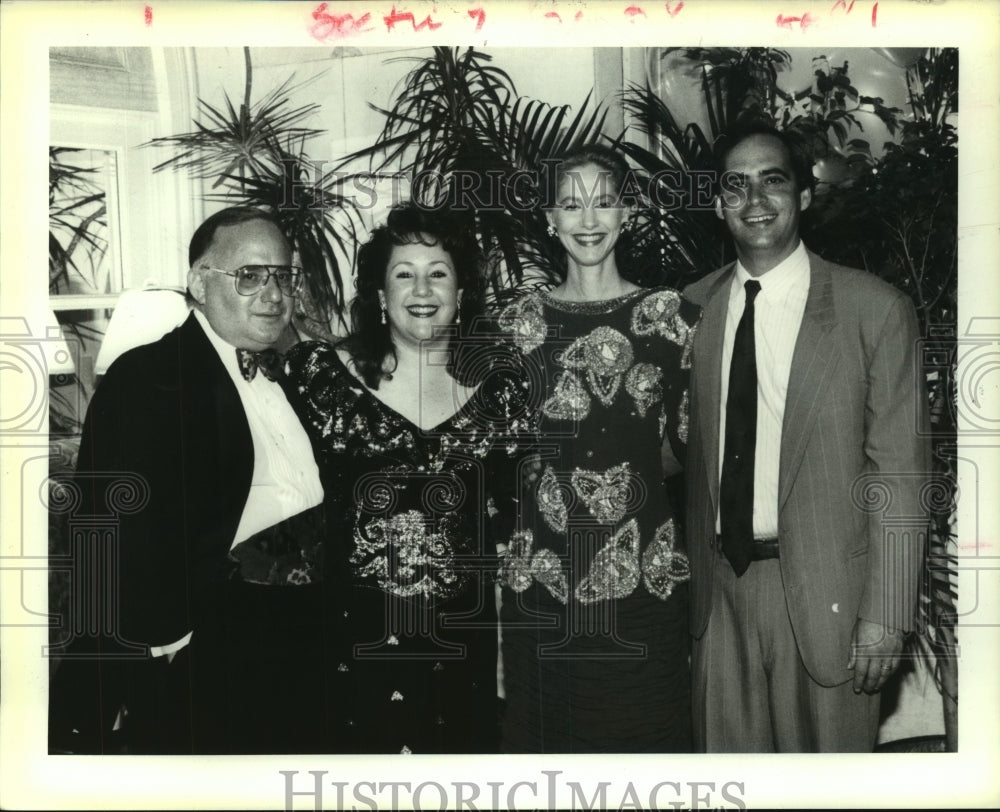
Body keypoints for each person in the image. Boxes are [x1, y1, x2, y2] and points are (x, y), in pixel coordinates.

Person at [684, 120, 930, 752]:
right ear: (717, 204)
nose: (755, 200)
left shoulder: (873, 310)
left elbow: (901, 473)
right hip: (718, 603)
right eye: (735, 186)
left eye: (773, 180)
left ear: (804, 195)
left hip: (832, 600)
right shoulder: (689, 310)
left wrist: (888, 613)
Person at [50, 206, 331, 754]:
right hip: (204, 643)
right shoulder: (148, 377)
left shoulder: (294, 375)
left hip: (301, 636)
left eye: (283, 275)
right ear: (199, 283)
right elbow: (107, 528)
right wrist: (162, 643)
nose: (273, 294)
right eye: (249, 276)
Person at [283, 203, 535, 754]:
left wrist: (501, 652)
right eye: (404, 273)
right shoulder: (322, 381)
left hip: (462, 644)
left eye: (438, 272)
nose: (422, 288)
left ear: (462, 289)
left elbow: (508, 537)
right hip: (353, 642)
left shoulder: (502, 394)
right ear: (379, 293)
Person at [494, 144, 699, 752]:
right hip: (542, 585)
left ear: (628, 214)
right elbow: (495, 452)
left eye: (605, 202)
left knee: (647, 749)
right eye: (571, 204)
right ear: (548, 218)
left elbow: (695, 449)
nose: (588, 220)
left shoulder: (672, 319)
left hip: (645, 583)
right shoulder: (514, 325)